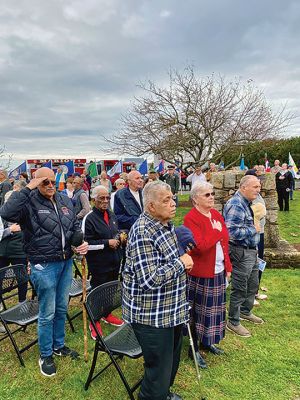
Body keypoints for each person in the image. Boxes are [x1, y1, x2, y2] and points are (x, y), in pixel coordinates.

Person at [0, 167, 88, 377]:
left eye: (52, 181)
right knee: (47, 313)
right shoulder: (28, 201)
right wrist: (29, 186)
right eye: (44, 182)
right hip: (44, 264)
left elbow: (73, 225)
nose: (49, 186)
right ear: (36, 182)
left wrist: (80, 242)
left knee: (61, 307)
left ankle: (58, 345)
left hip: (65, 261)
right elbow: (6, 213)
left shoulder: (64, 200)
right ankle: (45, 354)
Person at [122, 181, 193, 400]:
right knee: (158, 370)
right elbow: (149, 279)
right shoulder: (143, 231)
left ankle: (165, 394)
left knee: (170, 362)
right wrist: (181, 264)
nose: (173, 204)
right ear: (151, 206)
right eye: (166, 200)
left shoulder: (165, 223)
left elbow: (166, 262)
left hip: (171, 309)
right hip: (151, 315)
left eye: (172, 198)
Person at [183, 182, 232, 368]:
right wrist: (215, 233)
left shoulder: (216, 214)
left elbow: (224, 240)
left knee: (215, 311)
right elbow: (200, 247)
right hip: (201, 273)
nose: (211, 196)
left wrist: (228, 267)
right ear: (195, 199)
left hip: (218, 270)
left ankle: (208, 341)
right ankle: (193, 348)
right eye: (206, 195)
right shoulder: (191, 218)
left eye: (212, 193)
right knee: (198, 312)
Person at [223, 175, 264, 337]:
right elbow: (231, 232)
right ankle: (233, 321)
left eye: (259, 187)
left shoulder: (248, 203)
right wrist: (254, 229)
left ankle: (245, 311)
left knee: (253, 283)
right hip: (240, 251)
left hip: (251, 250)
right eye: (255, 187)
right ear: (243, 187)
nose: (258, 190)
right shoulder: (236, 204)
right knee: (240, 286)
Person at [82, 185, 123, 340]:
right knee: (98, 292)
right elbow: (86, 244)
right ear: (94, 199)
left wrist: (119, 237)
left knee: (111, 290)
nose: (105, 201)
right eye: (102, 198)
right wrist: (107, 243)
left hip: (114, 260)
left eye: (107, 198)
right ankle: (95, 320)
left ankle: (106, 314)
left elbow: (115, 233)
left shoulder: (111, 215)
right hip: (99, 263)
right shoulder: (89, 218)